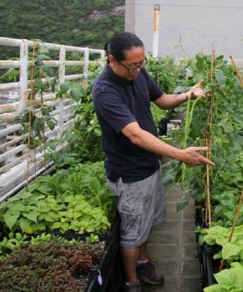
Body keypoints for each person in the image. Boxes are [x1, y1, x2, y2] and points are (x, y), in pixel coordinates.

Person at [92, 31, 215, 292]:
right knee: (132, 230)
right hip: (130, 173)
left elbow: (162, 100)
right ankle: (132, 282)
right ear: (112, 60)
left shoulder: (138, 74)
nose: (138, 69)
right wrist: (180, 154)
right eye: (132, 65)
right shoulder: (105, 91)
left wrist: (187, 95)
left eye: (142, 63)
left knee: (147, 222)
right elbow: (135, 135)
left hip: (150, 165)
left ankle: (144, 262)